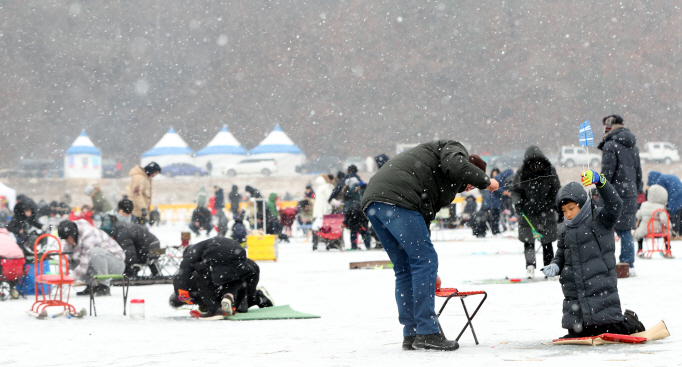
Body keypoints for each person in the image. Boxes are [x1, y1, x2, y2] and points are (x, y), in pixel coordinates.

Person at [362, 141, 497, 351]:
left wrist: (430, 272)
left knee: (406, 267)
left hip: (376, 202)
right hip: (398, 198)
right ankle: (427, 331)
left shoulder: (442, 182)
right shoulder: (453, 148)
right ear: (469, 170)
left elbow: (422, 221)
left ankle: (412, 333)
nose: (470, 187)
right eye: (471, 182)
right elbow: (458, 166)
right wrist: (486, 181)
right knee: (422, 261)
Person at [542, 170, 646, 338]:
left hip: (600, 287)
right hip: (575, 294)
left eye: (571, 208)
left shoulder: (600, 219)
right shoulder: (564, 229)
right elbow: (561, 252)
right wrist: (555, 264)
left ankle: (631, 322)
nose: (567, 214)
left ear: (582, 204)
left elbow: (615, 204)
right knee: (579, 332)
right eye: (563, 210)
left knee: (609, 328)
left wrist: (600, 182)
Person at [170, 237, 274, 319]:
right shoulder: (208, 250)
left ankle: (215, 309)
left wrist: (182, 292)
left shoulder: (192, 253)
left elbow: (183, 272)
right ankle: (256, 298)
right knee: (235, 280)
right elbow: (245, 272)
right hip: (240, 253)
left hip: (220, 255)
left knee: (206, 278)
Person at [598, 115, 643, 274]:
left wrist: (599, 189)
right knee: (625, 231)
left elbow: (606, 174)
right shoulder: (633, 147)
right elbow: (638, 174)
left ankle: (606, 264)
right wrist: (637, 192)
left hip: (613, 195)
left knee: (606, 230)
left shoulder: (610, 145)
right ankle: (627, 265)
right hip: (629, 193)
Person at [510, 146, 561, 279]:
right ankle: (530, 266)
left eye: (539, 165)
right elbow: (515, 191)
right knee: (528, 241)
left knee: (547, 242)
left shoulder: (550, 171)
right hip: (528, 213)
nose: (536, 168)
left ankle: (549, 268)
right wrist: (518, 203)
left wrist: (556, 205)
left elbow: (556, 190)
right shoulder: (521, 173)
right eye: (533, 165)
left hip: (546, 211)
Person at [57, 219, 126, 296]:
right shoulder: (71, 239)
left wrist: (69, 279)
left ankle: (104, 286)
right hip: (98, 263)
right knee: (73, 261)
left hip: (116, 264)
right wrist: (61, 278)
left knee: (95, 252)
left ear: (73, 234)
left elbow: (84, 265)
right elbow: (65, 258)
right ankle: (92, 286)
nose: (67, 242)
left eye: (67, 239)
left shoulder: (89, 234)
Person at [101, 200, 161, 276]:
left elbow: (136, 240)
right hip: (116, 248)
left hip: (139, 249)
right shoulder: (109, 219)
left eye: (128, 214)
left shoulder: (133, 220)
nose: (126, 216)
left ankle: (138, 269)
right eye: (124, 213)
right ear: (119, 210)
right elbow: (104, 233)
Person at [634, 185, 670, 256]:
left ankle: (640, 249)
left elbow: (638, 215)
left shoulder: (644, 205)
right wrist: (669, 226)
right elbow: (664, 219)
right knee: (667, 233)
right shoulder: (661, 207)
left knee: (639, 234)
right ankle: (667, 248)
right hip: (659, 230)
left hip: (645, 229)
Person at [647, 171, 682, 236]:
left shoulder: (659, 180)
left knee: (674, 214)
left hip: (675, 197)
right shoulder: (664, 177)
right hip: (679, 195)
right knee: (680, 215)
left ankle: (675, 234)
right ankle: (680, 233)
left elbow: (660, 194)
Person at [311, 174, 334, 250]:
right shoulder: (327, 187)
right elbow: (330, 198)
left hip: (317, 211)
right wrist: (337, 203)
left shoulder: (319, 187)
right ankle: (328, 244)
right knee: (327, 228)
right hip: (325, 210)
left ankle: (315, 244)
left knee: (316, 227)